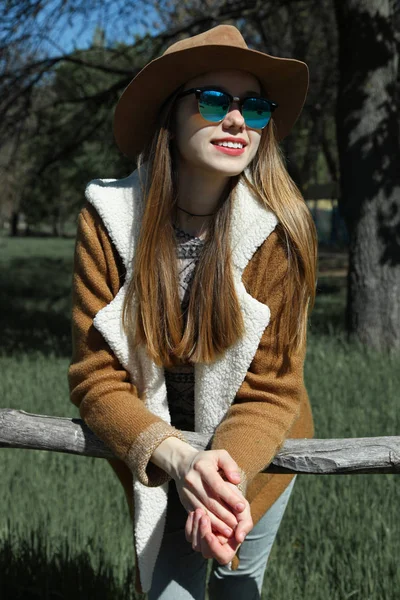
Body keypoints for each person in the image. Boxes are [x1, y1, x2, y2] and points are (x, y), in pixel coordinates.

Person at [68, 24, 317, 600]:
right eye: (213, 100)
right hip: (156, 452)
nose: (236, 120)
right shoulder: (107, 222)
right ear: (169, 115)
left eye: (254, 107)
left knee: (238, 588)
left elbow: (272, 389)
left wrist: (221, 482)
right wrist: (178, 460)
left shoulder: (281, 232)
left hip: (253, 457)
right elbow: (95, 376)